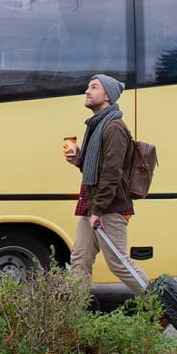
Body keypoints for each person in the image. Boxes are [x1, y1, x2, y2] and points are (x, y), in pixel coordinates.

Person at [65, 74, 148, 294]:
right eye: (88, 87)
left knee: (119, 263)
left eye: (94, 87)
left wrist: (99, 209)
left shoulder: (114, 128)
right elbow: (98, 169)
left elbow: (112, 173)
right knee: (79, 259)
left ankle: (160, 306)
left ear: (108, 96)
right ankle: (74, 316)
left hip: (109, 206)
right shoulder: (95, 126)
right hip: (93, 204)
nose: (87, 91)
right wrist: (79, 161)